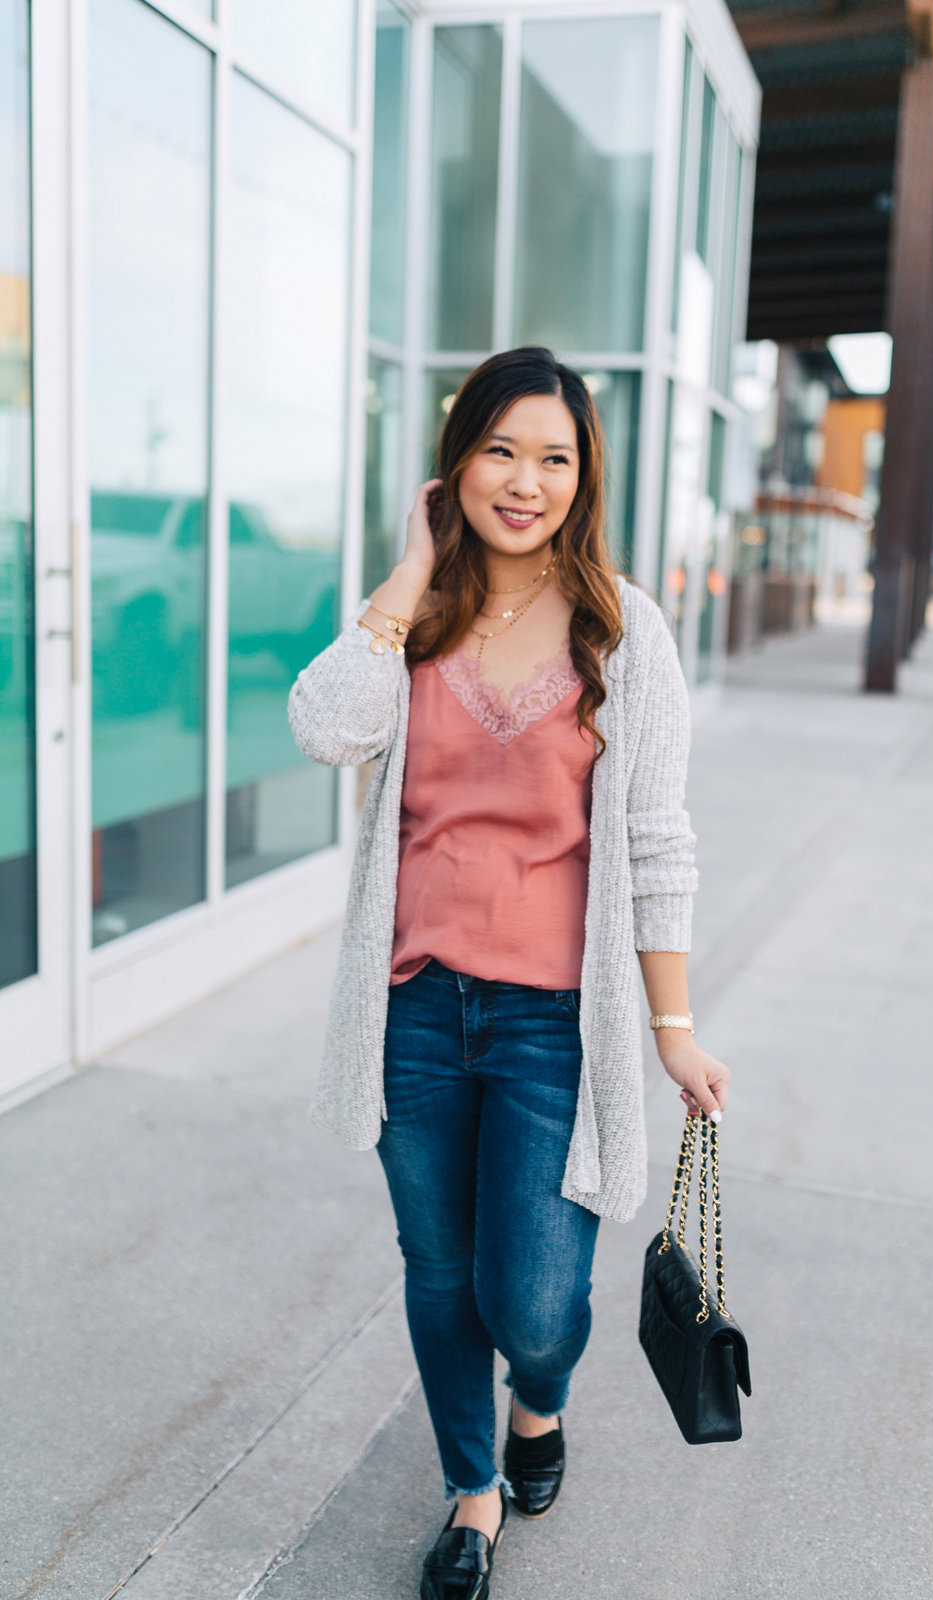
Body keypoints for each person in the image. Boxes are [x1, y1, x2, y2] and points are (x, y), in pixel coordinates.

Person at [288, 346, 730, 1600]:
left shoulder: (622, 630)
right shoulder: (414, 618)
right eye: (500, 450)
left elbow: (654, 838)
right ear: (457, 461)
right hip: (415, 1011)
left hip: (553, 1026)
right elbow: (326, 728)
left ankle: (538, 1400)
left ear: (584, 476)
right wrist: (409, 575)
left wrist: (673, 1024)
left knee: (531, 1300)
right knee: (436, 1272)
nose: (523, 481)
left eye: (553, 457)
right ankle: (471, 1490)